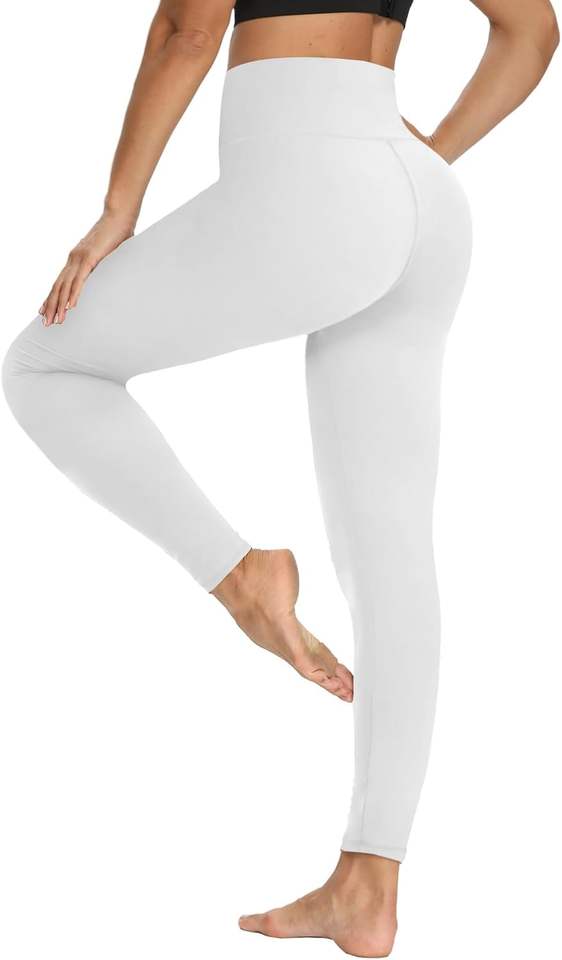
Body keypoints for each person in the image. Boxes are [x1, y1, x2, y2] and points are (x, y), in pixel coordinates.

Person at [3, 1, 558, 956]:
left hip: (307, 175)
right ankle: (369, 882)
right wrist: (418, 161)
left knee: (42, 367)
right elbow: (533, 30)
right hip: (419, 198)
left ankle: (241, 575)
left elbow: (187, 29)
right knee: (390, 548)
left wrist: (117, 211)